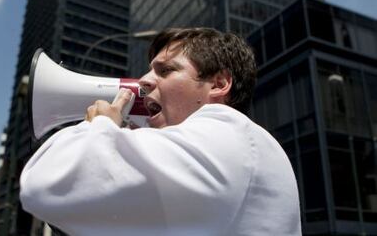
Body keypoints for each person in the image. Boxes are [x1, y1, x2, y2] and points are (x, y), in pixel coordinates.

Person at [20, 27, 302, 236]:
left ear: (218, 84)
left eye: (165, 70)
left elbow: (44, 184)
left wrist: (101, 127)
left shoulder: (227, 133)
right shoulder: (242, 145)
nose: (142, 81)